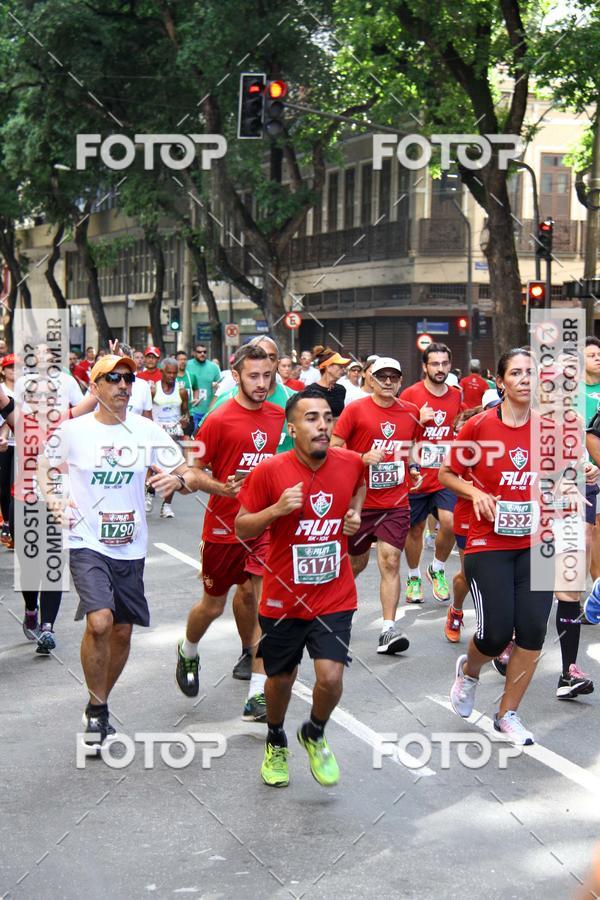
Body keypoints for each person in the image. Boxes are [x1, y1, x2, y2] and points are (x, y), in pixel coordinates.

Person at [42, 354, 190, 748]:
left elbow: (185, 471)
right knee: (101, 622)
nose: (123, 385)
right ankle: (97, 710)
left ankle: (98, 704)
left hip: (130, 545)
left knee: (122, 631)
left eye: (128, 378)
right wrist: (58, 499)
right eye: (113, 378)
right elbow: (45, 470)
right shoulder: (72, 431)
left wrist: (175, 480)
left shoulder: (146, 430)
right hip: (86, 541)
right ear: (95, 386)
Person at [235, 391, 365, 787]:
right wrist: (275, 511)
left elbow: (360, 482)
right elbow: (242, 527)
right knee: (281, 680)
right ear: (292, 429)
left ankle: (314, 731)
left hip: (334, 593)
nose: (322, 425)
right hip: (283, 599)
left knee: (330, 678)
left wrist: (355, 512)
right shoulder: (271, 471)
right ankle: (275, 738)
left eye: (327, 417)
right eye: (311, 418)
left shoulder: (350, 461)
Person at [440, 348, 554, 745]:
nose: (525, 379)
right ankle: (469, 672)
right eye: (517, 373)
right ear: (501, 381)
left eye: (531, 373)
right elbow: (446, 472)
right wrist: (475, 493)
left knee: (535, 629)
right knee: (494, 633)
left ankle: (507, 714)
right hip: (488, 541)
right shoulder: (479, 427)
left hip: (537, 541)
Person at [170, 344, 285, 721]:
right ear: (236, 376)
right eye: (253, 376)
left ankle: (257, 694)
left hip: (263, 526)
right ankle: (188, 649)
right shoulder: (219, 419)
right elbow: (191, 470)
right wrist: (223, 488)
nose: (261, 383)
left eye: (267, 375)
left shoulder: (277, 415)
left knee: (263, 603)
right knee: (213, 605)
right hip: (222, 529)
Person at [332, 357, 422, 655]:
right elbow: (333, 447)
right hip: (359, 501)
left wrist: (413, 468)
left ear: (400, 381)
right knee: (355, 563)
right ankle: (334, 607)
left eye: (393, 377)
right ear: (370, 378)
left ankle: (388, 629)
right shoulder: (355, 410)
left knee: (390, 560)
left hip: (394, 503)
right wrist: (361, 458)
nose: (387, 382)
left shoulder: (410, 412)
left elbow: (412, 447)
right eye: (381, 376)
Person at [400, 343, 463, 603]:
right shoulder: (411, 394)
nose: (440, 368)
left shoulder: (456, 395)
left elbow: (461, 426)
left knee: (450, 522)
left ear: (450, 365)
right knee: (414, 530)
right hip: (416, 475)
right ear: (425, 367)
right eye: (434, 364)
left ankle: (436, 568)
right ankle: (414, 577)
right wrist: (416, 418)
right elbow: (400, 433)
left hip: (444, 475)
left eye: (444, 363)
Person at [149, 357, 189, 518]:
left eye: (175, 373)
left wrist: (185, 421)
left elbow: (186, 413)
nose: (172, 376)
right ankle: (149, 493)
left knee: (172, 471)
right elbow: (147, 412)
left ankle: (167, 505)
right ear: (162, 372)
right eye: (169, 373)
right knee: (152, 469)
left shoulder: (181, 391)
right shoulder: (153, 390)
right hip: (156, 435)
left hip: (174, 436)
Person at [307, 345, 350, 418]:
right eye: (340, 366)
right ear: (329, 367)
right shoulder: (310, 391)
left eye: (344, 367)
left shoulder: (341, 389)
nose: (343, 370)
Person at [186, 343, 221, 430]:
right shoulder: (187, 365)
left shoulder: (213, 367)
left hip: (208, 410)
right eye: (199, 352)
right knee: (193, 439)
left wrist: (217, 386)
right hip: (192, 410)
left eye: (204, 352)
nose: (202, 354)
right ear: (193, 353)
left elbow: (220, 387)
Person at [0, 354, 15, 547]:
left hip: (21, 445)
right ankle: (6, 523)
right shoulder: (2, 390)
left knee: (17, 487)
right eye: (10, 367)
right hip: (5, 444)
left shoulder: (26, 388)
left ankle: (13, 526)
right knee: (3, 487)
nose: (13, 370)